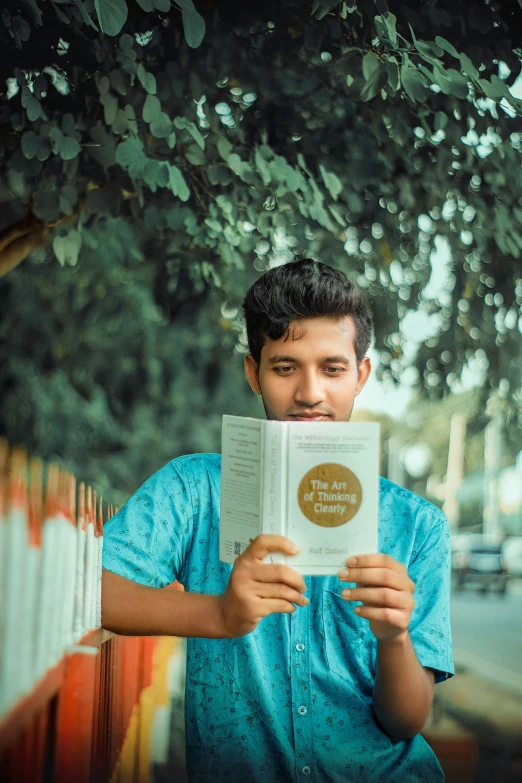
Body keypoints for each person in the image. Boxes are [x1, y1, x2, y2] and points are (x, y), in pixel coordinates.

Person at [101, 258, 454, 782]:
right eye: (285, 367)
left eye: (332, 368)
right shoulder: (195, 489)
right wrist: (218, 615)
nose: (310, 392)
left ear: (361, 375)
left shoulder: (418, 525)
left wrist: (394, 638)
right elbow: (93, 590)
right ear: (254, 373)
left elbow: (405, 722)